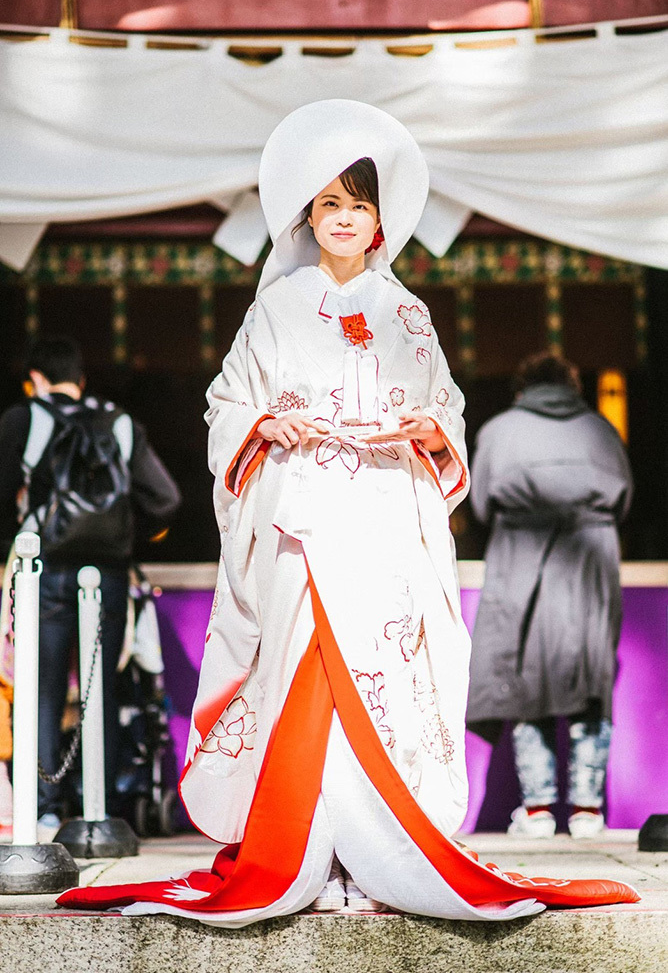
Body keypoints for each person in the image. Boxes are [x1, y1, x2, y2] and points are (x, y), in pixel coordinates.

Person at [57, 100, 637, 921]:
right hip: (302, 519)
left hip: (382, 523)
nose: (343, 219)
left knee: (385, 692)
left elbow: (447, 410)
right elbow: (227, 404)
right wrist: (266, 424)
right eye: (328, 203)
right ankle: (310, 854)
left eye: (358, 205)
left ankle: (377, 860)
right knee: (308, 683)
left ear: (378, 222)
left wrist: (429, 430)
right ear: (308, 216)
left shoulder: (409, 313)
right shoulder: (274, 308)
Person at [0, 336, 181, 836]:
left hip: (43, 571)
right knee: (100, 687)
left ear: (35, 379)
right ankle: (97, 808)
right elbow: (165, 499)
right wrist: (123, 538)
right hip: (108, 574)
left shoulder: (24, 418)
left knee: (42, 687)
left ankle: (45, 808)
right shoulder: (119, 423)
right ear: (81, 380)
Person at [466, 351, 633, 839]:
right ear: (572, 386)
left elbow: (480, 505)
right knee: (590, 675)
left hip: (520, 555)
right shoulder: (601, 430)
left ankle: (537, 809)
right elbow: (624, 499)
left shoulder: (499, 430)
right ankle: (587, 811)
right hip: (590, 557)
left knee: (527, 673)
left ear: (522, 388)